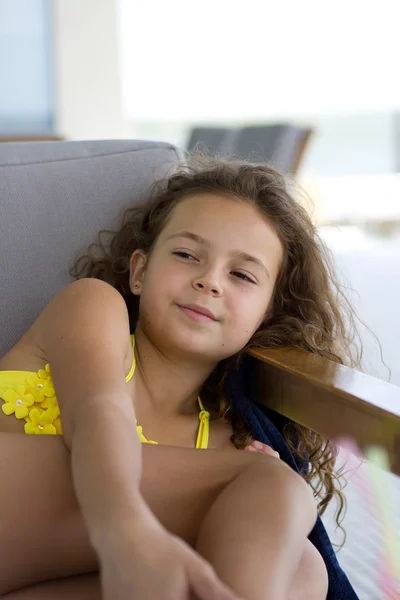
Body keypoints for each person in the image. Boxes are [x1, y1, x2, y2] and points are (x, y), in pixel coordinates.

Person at [0, 156, 360, 600]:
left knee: (306, 569)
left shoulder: (224, 443)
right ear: (139, 270)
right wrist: (129, 531)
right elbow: (99, 415)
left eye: (242, 275)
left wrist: (257, 505)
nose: (209, 281)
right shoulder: (93, 309)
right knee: (275, 484)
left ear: (267, 315)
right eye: (187, 255)